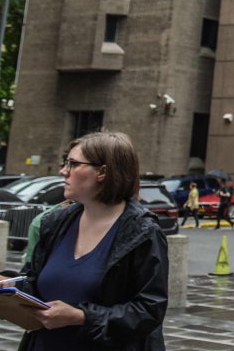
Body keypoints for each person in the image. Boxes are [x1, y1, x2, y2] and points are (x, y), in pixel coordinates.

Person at [14, 131, 168, 350]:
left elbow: (149, 310)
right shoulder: (55, 222)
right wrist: (9, 286)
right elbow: (33, 278)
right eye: (65, 163)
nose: (63, 171)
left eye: (73, 164)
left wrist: (81, 316)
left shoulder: (142, 232)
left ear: (103, 172)